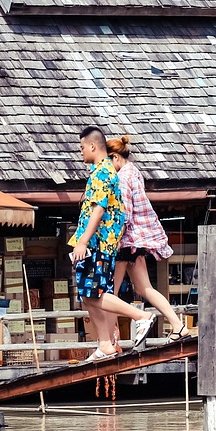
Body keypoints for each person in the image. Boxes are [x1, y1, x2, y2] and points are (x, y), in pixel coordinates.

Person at [68, 126, 156, 362]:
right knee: (88, 295)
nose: (81, 152)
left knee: (95, 294)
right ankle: (105, 344)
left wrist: (83, 241)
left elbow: (99, 208)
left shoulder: (103, 173)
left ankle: (141, 317)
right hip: (96, 243)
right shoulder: (101, 171)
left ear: (93, 146)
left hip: (96, 243)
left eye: (82, 147)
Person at [108, 135, 189, 345]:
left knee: (110, 294)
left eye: (109, 161)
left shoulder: (122, 177)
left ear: (115, 157)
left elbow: (124, 214)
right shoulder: (135, 172)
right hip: (137, 242)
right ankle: (178, 325)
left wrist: (113, 241)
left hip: (124, 242)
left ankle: (110, 341)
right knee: (145, 288)